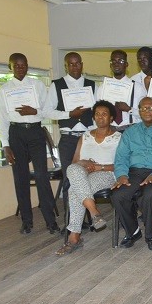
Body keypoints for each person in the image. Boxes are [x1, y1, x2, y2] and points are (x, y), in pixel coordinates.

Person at [0, 53, 59, 234]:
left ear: (27, 66)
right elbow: (2, 119)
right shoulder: (4, 89)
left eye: (23, 65)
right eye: (16, 65)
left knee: (41, 176)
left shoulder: (37, 85)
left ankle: (50, 220)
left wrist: (33, 111)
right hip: (15, 133)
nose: (20, 68)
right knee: (21, 178)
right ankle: (26, 221)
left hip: (35, 132)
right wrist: (5, 145)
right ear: (10, 67)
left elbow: (46, 112)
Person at [56, 101, 121, 255]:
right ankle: (94, 212)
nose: (100, 117)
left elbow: (122, 165)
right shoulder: (85, 136)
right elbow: (74, 163)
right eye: (97, 114)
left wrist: (99, 167)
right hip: (83, 173)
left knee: (74, 190)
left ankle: (74, 237)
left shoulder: (119, 137)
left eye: (104, 114)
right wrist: (83, 163)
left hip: (106, 174)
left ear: (111, 117)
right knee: (72, 168)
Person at [111, 97, 152, 250]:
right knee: (118, 195)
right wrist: (121, 175)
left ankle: (150, 234)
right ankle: (133, 231)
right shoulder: (129, 132)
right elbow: (121, 157)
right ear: (139, 111)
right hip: (134, 172)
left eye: (150, 108)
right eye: (143, 108)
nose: (146, 111)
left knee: (150, 194)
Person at [45, 52, 96, 202]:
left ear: (82, 64)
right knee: (69, 178)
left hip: (87, 139)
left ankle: (87, 218)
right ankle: (70, 221)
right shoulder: (57, 85)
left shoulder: (92, 85)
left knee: (87, 176)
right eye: (71, 64)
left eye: (77, 63)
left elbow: (100, 110)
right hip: (68, 139)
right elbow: (48, 111)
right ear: (66, 66)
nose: (75, 67)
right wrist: (69, 114)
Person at [96, 50, 141, 130]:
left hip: (131, 129)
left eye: (120, 60)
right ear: (110, 65)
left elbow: (146, 114)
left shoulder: (138, 87)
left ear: (126, 64)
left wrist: (129, 109)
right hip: (109, 130)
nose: (116, 63)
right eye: (113, 61)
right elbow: (96, 113)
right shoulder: (102, 88)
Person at [130, 46, 151, 122]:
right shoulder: (132, 80)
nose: (142, 61)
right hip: (139, 122)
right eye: (139, 59)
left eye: (145, 58)